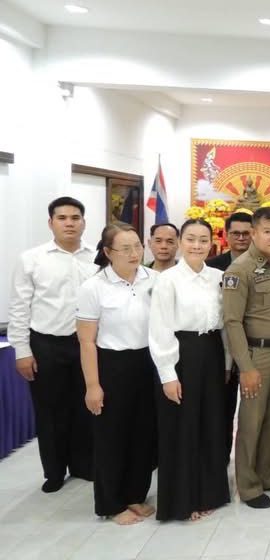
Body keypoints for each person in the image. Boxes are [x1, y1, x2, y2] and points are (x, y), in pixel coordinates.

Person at [9, 197, 98, 492]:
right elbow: (19, 307)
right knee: (50, 411)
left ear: (83, 222)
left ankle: (84, 465)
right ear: (51, 223)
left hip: (87, 345)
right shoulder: (32, 259)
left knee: (86, 408)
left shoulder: (97, 258)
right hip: (47, 344)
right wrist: (22, 351)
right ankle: (55, 472)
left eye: (75, 217)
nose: (69, 223)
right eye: (62, 218)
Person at [149, 218, 232, 521]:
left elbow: (225, 325)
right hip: (181, 354)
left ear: (212, 243)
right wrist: (168, 375)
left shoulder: (218, 277)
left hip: (212, 353)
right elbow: (160, 329)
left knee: (212, 424)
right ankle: (182, 501)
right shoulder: (168, 280)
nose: (197, 245)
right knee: (181, 428)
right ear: (181, 243)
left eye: (203, 240)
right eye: (191, 239)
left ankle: (210, 493)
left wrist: (227, 362)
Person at [76, 223, 158, 524]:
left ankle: (135, 495)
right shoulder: (94, 287)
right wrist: (92, 385)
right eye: (125, 249)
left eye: (137, 246)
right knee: (112, 437)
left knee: (144, 435)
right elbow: (86, 341)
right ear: (108, 252)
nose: (134, 253)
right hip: (112, 366)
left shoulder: (154, 279)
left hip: (148, 363)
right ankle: (110, 504)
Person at [222, 207, 270, 509]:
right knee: (251, 423)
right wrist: (246, 366)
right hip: (257, 355)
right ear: (254, 233)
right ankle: (249, 485)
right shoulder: (239, 270)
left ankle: (268, 473)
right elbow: (232, 322)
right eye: (268, 232)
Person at [206, 210, 253, 464]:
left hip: (255, 347)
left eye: (246, 233)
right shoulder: (212, 267)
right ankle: (220, 460)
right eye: (236, 233)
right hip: (222, 348)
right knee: (222, 409)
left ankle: (251, 463)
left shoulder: (265, 263)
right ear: (226, 235)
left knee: (254, 412)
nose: (242, 238)